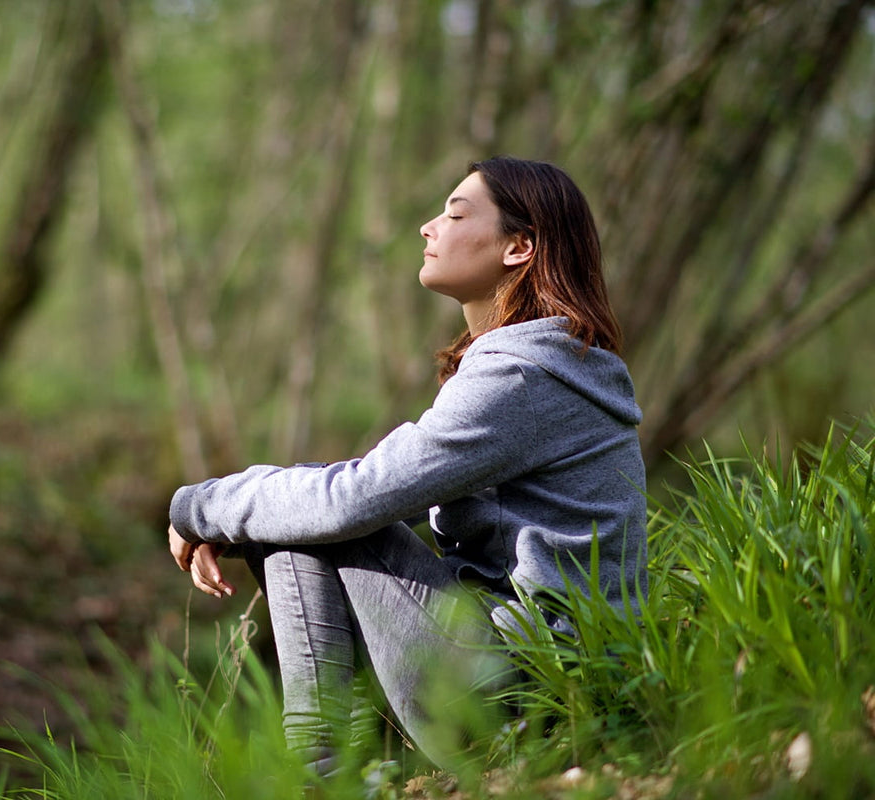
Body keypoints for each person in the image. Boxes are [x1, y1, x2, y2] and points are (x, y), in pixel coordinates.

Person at [166, 156, 647, 774]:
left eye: (454, 213)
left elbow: (351, 501)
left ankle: (318, 774)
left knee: (314, 516)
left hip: (525, 695)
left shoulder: (520, 378)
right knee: (301, 508)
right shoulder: (551, 365)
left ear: (519, 247)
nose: (428, 227)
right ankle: (326, 769)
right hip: (552, 682)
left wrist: (200, 507)